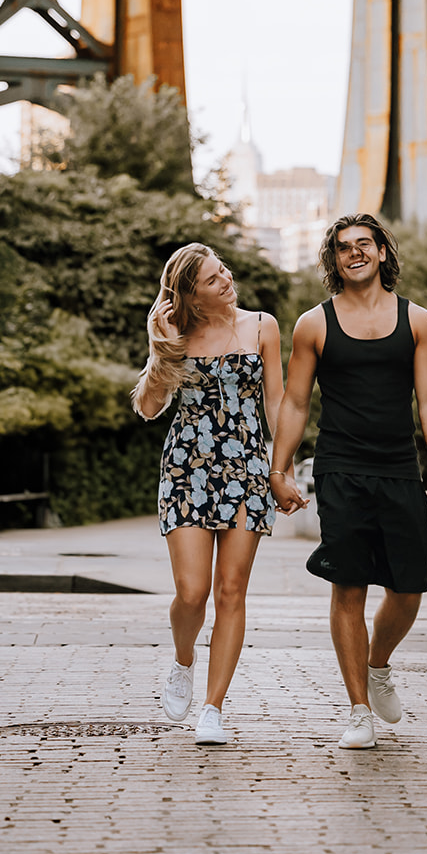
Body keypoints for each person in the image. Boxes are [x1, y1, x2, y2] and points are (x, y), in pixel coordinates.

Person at [269, 213, 427, 750]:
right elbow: (297, 403)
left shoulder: (417, 321)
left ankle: (378, 666)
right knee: (347, 586)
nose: (355, 253)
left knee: (409, 586)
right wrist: (279, 470)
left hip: (399, 468)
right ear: (334, 259)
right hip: (340, 469)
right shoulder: (313, 325)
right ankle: (356, 711)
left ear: (381, 252)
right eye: (344, 247)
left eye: (364, 245)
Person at [131, 242, 285, 745]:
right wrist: (163, 349)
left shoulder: (262, 326)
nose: (227, 281)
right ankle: (183, 659)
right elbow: (149, 407)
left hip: (245, 467)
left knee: (231, 591)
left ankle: (213, 710)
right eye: (214, 280)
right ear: (192, 297)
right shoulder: (177, 334)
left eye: (225, 272)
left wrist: (280, 469)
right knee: (192, 593)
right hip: (186, 468)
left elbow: (278, 402)